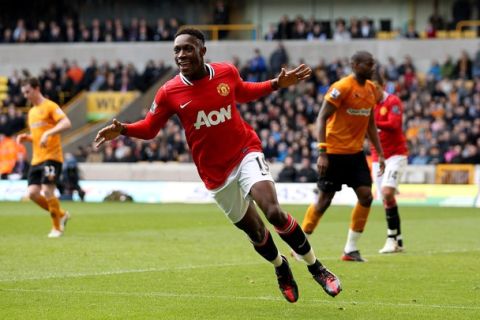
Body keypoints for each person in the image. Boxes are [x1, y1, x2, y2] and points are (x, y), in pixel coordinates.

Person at [94, 28, 341, 302]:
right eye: (176, 50)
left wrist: (275, 84)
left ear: (202, 50)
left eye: (187, 48)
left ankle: (316, 267)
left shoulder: (225, 72)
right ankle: (281, 267)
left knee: (273, 212)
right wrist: (124, 129)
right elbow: (151, 128)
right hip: (214, 174)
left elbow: (244, 92)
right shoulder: (169, 92)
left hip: (245, 151)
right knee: (256, 232)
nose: (181, 54)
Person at [297, 51, 385, 262]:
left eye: (373, 64)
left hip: (355, 155)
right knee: (324, 201)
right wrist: (322, 151)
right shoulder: (342, 87)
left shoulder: (372, 89)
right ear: (354, 64)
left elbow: (370, 124)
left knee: (366, 196)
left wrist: (380, 153)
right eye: (367, 64)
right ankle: (300, 244)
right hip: (333, 153)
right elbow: (321, 117)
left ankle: (350, 249)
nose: (372, 67)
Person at [17, 78, 72, 238]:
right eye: (24, 93)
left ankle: (57, 228)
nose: (26, 95)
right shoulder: (32, 112)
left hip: (52, 157)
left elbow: (66, 123)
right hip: (37, 159)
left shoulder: (50, 106)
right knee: (33, 193)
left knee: (48, 190)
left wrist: (49, 133)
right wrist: (27, 138)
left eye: (28, 91)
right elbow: (38, 136)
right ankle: (61, 214)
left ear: (36, 88)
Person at [371, 74, 408, 253]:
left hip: (396, 155)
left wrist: (370, 122)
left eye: (376, 88)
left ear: (382, 86)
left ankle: (391, 239)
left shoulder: (393, 102)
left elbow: (394, 125)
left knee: (386, 193)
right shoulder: (368, 105)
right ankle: (399, 241)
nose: (373, 92)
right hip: (377, 157)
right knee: (387, 199)